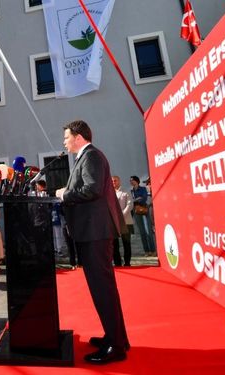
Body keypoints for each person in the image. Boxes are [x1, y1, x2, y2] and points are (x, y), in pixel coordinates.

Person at [55, 120, 129, 364]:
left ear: (78, 137)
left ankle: (116, 347)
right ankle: (116, 337)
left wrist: (65, 194)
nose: (64, 142)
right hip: (92, 231)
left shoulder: (91, 156)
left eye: (67, 138)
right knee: (103, 288)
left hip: (95, 232)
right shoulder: (86, 157)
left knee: (103, 289)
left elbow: (92, 189)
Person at [130, 176, 156, 256]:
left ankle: (153, 250)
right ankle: (147, 251)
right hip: (136, 211)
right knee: (142, 232)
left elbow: (144, 198)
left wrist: (137, 200)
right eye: (130, 181)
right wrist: (137, 199)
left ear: (137, 181)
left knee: (148, 231)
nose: (131, 182)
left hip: (144, 210)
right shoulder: (131, 191)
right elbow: (131, 201)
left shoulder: (143, 189)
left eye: (132, 180)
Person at [112, 176, 134, 267]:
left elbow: (130, 205)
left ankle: (127, 263)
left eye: (115, 180)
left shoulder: (126, 191)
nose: (114, 182)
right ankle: (117, 263)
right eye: (112, 181)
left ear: (119, 181)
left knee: (126, 243)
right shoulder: (109, 193)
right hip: (113, 222)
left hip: (125, 221)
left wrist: (121, 216)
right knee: (114, 244)